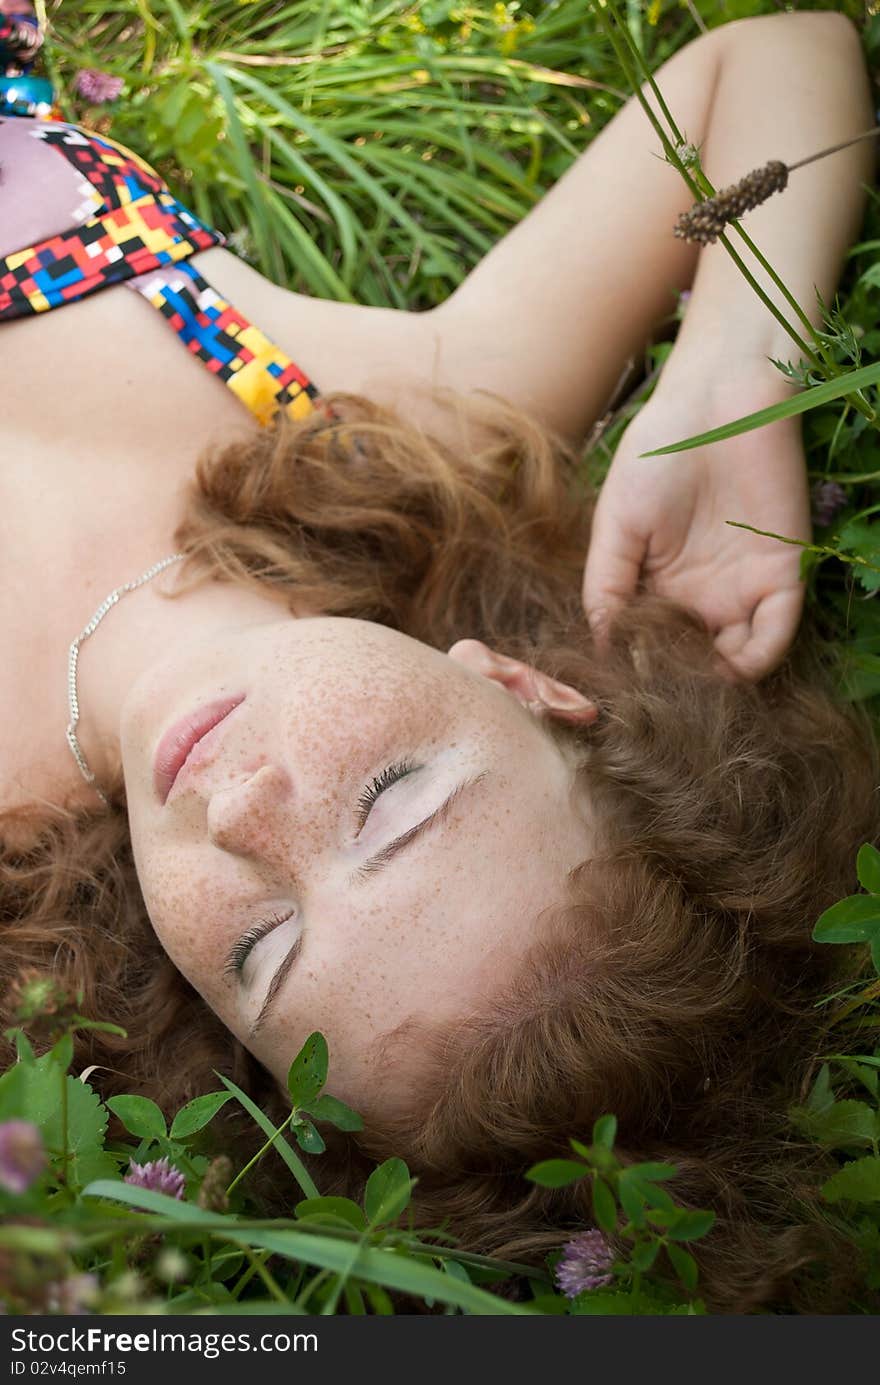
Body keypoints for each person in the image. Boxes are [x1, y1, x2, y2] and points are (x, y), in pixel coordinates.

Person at [2, 8, 879, 1311]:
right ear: (526, 685)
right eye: (387, 800)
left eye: (262, 950)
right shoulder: (384, 412)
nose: (240, 815)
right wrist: (727, 373)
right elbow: (782, 58)